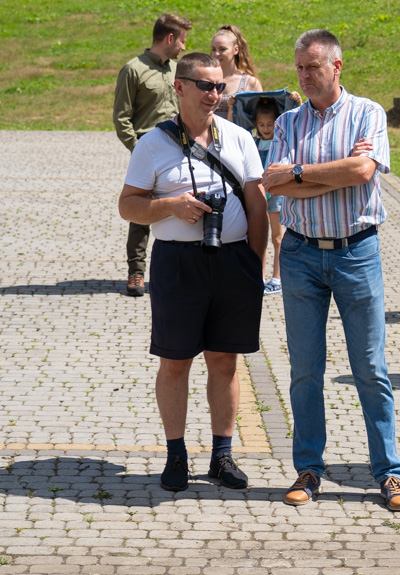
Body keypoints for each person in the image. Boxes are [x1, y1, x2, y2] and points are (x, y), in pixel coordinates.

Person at [262, 29, 400, 512]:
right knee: (305, 371)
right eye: (300, 67)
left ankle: (388, 474)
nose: (305, 76)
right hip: (301, 254)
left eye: (313, 67)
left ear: (337, 66)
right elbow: (276, 186)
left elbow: (363, 172)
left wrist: (303, 174)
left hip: (356, 251)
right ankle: (309, 469)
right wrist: (330, 173)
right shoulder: (287, 121)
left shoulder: (368, 112)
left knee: (371, 369)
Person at [117, 52, 268, 492]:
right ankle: (177, 455)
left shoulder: (238, 138)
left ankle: (223, 456)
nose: (215, 95)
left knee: (224, 361)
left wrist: (253, 265)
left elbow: (257, 206)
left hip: (233, 261)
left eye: (220, 86)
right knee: (176, 361)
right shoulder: (153, 144)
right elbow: (128, 205)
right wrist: (171, 205)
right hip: (177, 263)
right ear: (180, 87)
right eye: (206, 86)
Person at [113, 13, 193, 297]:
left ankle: (181, 267)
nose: (184, 47)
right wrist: (139, 150)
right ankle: (136, 272)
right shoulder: (133, 70)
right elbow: (121, 117)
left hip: (179, 147)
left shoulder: (178, 70)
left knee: (180, 202)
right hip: (147, 147)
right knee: (141, 211)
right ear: (169, 38)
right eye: (182, 40)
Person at [251, 98, 284, 296]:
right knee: (260, 236)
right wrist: (230, 109)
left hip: (276, 194)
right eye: (261, 125)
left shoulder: (280, 141)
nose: (265, 128)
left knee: (278, 237)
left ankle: (277, 278)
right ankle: (260, 277)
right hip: (259, 194)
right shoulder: (253, 141)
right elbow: (234, 124)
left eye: (270, 124)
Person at [210, 25, 263, 121]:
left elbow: (262, 117)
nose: (216, 54)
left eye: (222, 49)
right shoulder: (205, 79)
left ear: (236, 50)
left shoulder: (250, 82)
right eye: (214, 49)